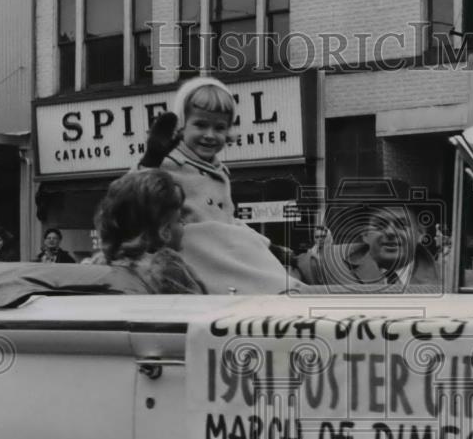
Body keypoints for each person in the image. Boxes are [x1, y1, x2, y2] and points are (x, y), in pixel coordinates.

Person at [134, 75, 291, 294]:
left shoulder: (219, 171)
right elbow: (132, 197)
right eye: (200, 124)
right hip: (194, 257)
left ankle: (293, 290)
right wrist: (151, 161)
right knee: (268, 286)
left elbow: (228, 220)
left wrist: (269, 246)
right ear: (181, 126)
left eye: (219, 128)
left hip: (223, 254)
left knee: (274, 275)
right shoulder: (168, 163)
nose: (210, 135)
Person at [93, 169, 206, 294]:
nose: (184, 225)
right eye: (179, 220)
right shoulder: (169, 272)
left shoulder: (99, 268)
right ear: (163, 229)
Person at [316, 198, 442, 290]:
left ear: (420, 233)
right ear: (365, 234)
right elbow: (298, 269)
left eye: (402, 225)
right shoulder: (331, 263)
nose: (391, 232)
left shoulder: (446, 279)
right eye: (380, 225)